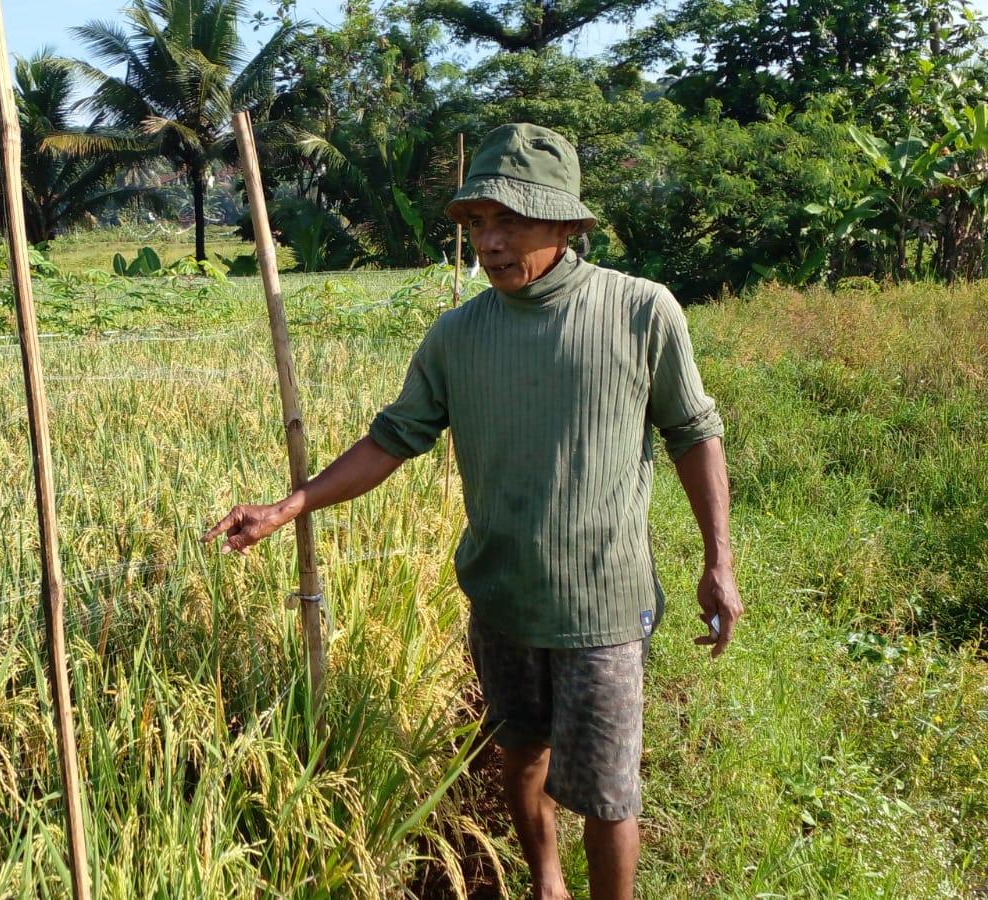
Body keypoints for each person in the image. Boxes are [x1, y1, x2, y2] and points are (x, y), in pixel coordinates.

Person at [202, 123, 743, 899]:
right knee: (519, 751)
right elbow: (393, 438)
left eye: (510, 222)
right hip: (501, 598)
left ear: (564, 224)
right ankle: (547, 881)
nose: (488, 243)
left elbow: (695, 432)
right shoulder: (458, 335)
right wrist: (290, 506)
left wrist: (717, 561)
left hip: (605, 606)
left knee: (608, 790)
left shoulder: (640, 313)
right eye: (477, 224)